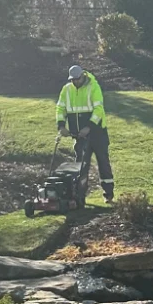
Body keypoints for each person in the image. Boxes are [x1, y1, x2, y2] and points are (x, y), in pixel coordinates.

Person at [56, 65, 114, 203]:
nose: (76, 82)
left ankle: (109, 193)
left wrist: (89, 127)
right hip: (79, 135)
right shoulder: (66, 89)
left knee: (103, 162)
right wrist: (61, 125)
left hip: (97, 133)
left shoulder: (93, 87)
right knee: (81, 166)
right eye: (73, 80)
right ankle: (80, 196)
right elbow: (60, 107)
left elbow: (98, 109)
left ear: (83, 76)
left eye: (78, 79)